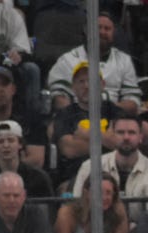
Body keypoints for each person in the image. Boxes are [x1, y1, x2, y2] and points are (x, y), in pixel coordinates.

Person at [71, 114, 148, 225]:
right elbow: (77, 206)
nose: (126, 137)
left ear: (141, 137)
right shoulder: (90, 166)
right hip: (96, 230)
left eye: (131, 132)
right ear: (113, 136)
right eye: (120, 132)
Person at [47, 10, 142, 116]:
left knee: (146, 128)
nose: (102, 32)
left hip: (115, 117)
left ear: (114, 33)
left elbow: (132, 101)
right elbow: (59, 98)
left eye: (107, 29)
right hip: (76, 117)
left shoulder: (124, 60)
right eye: (98, 27)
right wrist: (78, 115)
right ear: (87, 31)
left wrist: (108, 111)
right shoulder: (67, 59)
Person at [49, 60, 126, 190]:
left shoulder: (114, 111)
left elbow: (120, 143)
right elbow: (69, 149)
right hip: (74, 175)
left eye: (91, 80)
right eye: (81, 81)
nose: (86, 86)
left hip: (112, 173)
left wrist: (87, 134)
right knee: (64, 190)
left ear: (102, 85)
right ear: (73, 87)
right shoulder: (65, 115)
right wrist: (106, 139)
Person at [53, 173, 129, 233]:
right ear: (86, 193)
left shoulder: (118, 212)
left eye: (108, 193)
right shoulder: (67, 213)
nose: (104, 197)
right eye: (99, 192)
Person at [0, 119, 53, 199]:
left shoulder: (37, 178)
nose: (6, 145)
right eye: (0, 141)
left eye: (11, 140)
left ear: (20, 144)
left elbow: (48, 211)